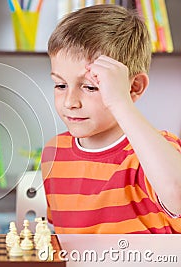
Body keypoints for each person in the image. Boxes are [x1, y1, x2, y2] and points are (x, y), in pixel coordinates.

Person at [41, 4, 181, 234]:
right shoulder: (54, 153)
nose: (69, 102)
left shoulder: (156, 152)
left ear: (134, 87)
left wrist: (120, 103)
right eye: (60, 85)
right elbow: (61, 242)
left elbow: (177, 192)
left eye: (89, 86)